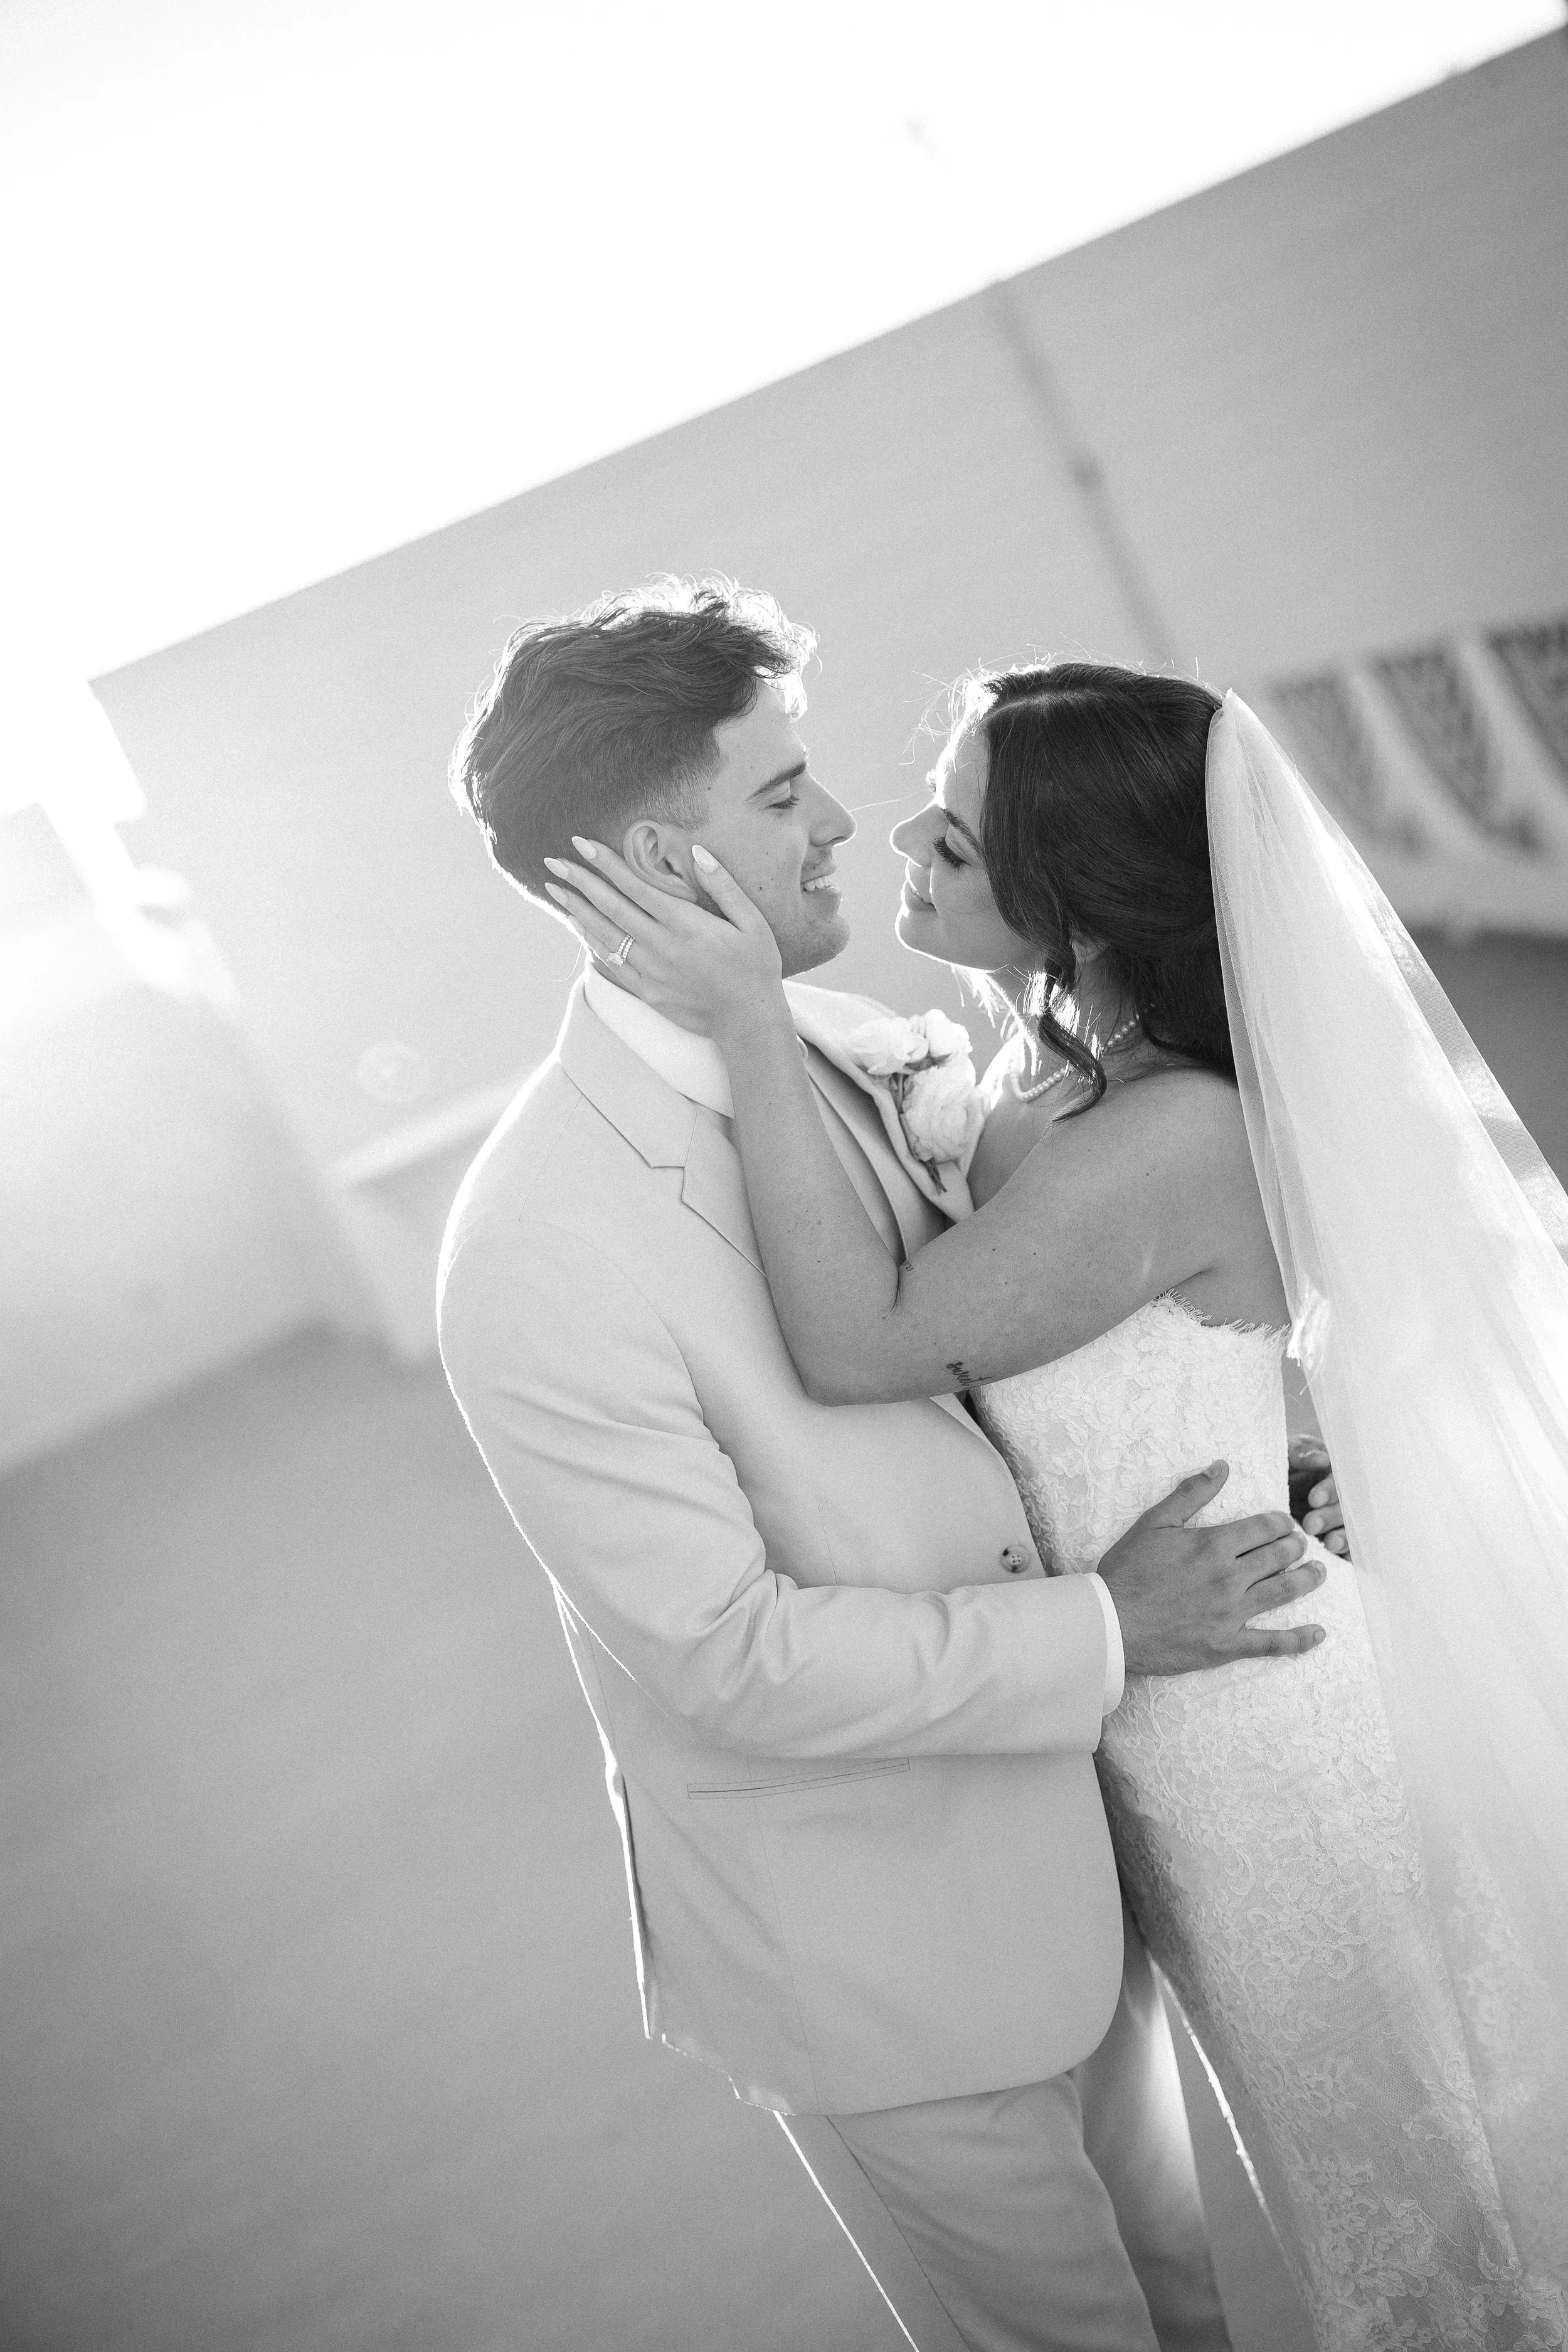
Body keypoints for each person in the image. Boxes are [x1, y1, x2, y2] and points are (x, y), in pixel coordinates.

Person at [552, 652, 1568, 2349]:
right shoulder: (1049, 1099)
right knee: (1358, 2190)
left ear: (1083, 901)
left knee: (1408, 2208)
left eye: (953, 837)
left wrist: (739, 1012)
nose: (905, 851)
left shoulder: (1163, 1128)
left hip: (1263, 1750)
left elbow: (868, 1344)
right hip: (1167, 1720)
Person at [438, 581, 1348, 2352]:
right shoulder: (536, 1245)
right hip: (878, 1965)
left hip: (1098, 1873)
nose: (847, 819)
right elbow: (721, 1656)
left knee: (1192, 2313)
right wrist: (1104, 1626)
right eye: (780, 794)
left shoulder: (850, 1047)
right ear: (653, 856)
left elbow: (1093, 1309)